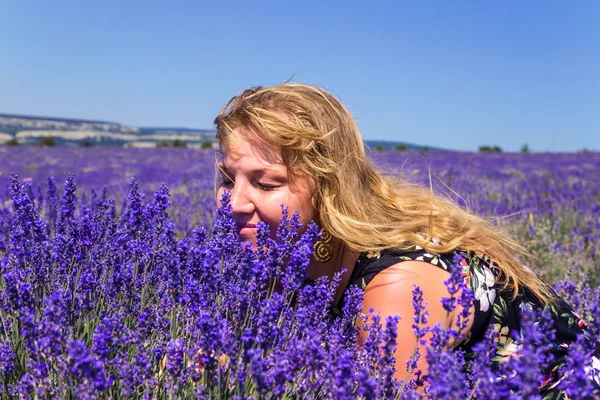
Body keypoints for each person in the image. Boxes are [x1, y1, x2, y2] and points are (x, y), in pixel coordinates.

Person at [213, 83, 599, 397]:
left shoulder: (399, 285)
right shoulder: (280, 255)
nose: (233, 202)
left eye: (265, 183)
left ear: (328, 187)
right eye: (229, 179)